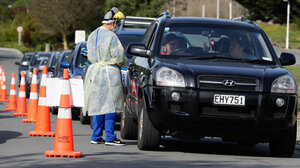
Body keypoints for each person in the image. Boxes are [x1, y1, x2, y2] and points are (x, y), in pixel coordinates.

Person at [83, 7, 127, 146]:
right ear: (112, 22)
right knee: (111, 105)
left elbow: (89, 54)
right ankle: (110, 137)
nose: (118, 26)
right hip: (109, 72)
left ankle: (96, 136)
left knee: (97, 104)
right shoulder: (111, 36)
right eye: (117, 23)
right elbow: (118, 56)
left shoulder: (93, 34)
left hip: (94, 72)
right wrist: (125, 63)